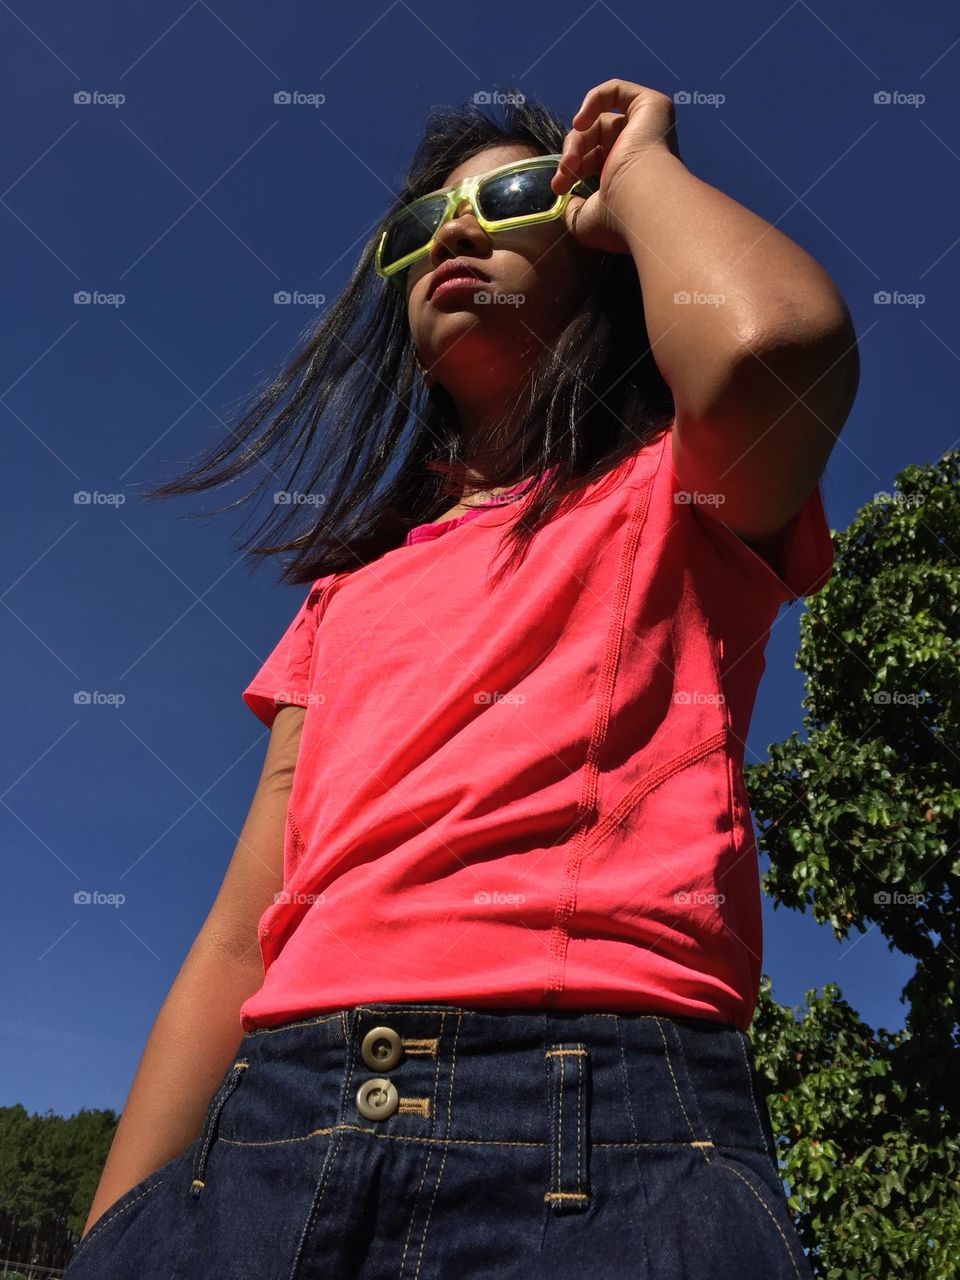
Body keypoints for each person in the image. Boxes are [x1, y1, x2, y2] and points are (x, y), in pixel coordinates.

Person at [65, 80, 858, 1279]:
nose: (455, 230)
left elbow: (770, 348)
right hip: (272, 1132)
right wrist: (113, 1238)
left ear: (595, 243)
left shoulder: (677, 494)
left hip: (607, 1135)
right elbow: (241, 937)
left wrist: (635, 174)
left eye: (515, 194)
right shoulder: (343, 595)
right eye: (419, 224)